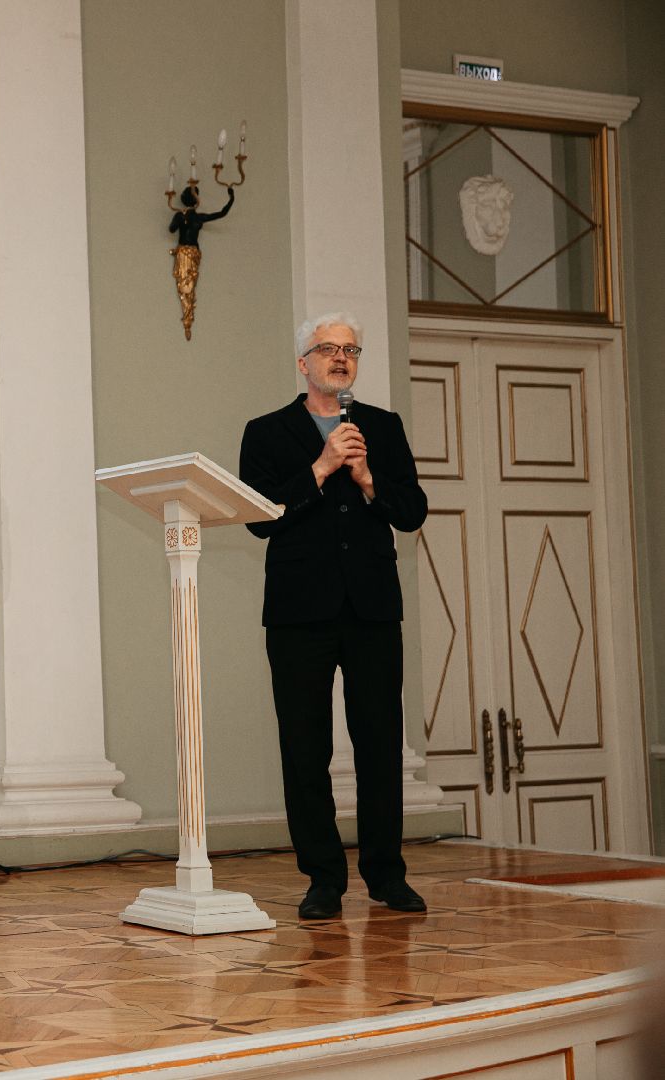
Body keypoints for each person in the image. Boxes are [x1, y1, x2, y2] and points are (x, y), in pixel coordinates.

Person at [239, 313, 429, 921]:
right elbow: (259, 516)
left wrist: (370, 478)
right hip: (300, 613)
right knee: (304, 748)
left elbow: (413, 512)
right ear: (304, 362)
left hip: (372, 608)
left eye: (350, 350)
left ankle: (386, 875)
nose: (341, 358)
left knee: (379, 745)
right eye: (328, 349)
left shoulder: (382, 427)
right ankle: (323, 877)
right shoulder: (266, 433)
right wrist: (321, 468)